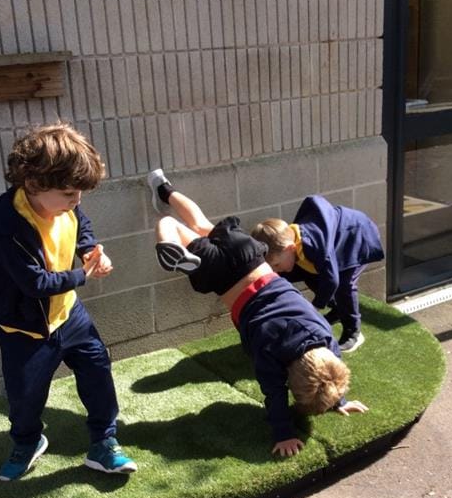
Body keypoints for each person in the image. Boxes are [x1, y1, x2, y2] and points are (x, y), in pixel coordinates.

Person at [147, 169, 368, 457]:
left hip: (250, 255)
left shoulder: (327, 339)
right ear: (289, 376)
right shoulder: (270, 353)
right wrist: (284, 434)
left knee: (202, 224)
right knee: (172, 225)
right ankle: (169, 237)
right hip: (225, 279)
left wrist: (339, 398)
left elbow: (331, 371)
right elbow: (273, 395)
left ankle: (163, 189)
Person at [0, 122, 137, 481]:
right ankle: (28, 441)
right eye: (67, 193)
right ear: (33, 183)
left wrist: (89, 249)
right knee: (25, 397)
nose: (75, 201)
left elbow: (81, 222)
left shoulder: (66, 206)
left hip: (69, 316)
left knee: (98, 373)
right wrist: (85, 275)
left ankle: (103, 443)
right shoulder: (6, 228)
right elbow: (36, 283)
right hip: (24, 328)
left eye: (80, 193)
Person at [250, 196, 384, 353]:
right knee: (308, 274)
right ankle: (338, 310)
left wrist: (315, 307)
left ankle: (353, 332)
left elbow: (332, 281)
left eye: (277, 265)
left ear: (289, 249)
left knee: (344, 284)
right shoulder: (291, 245)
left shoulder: (315, 246)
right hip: (335, 245)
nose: (276, 270)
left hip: (357, 237)